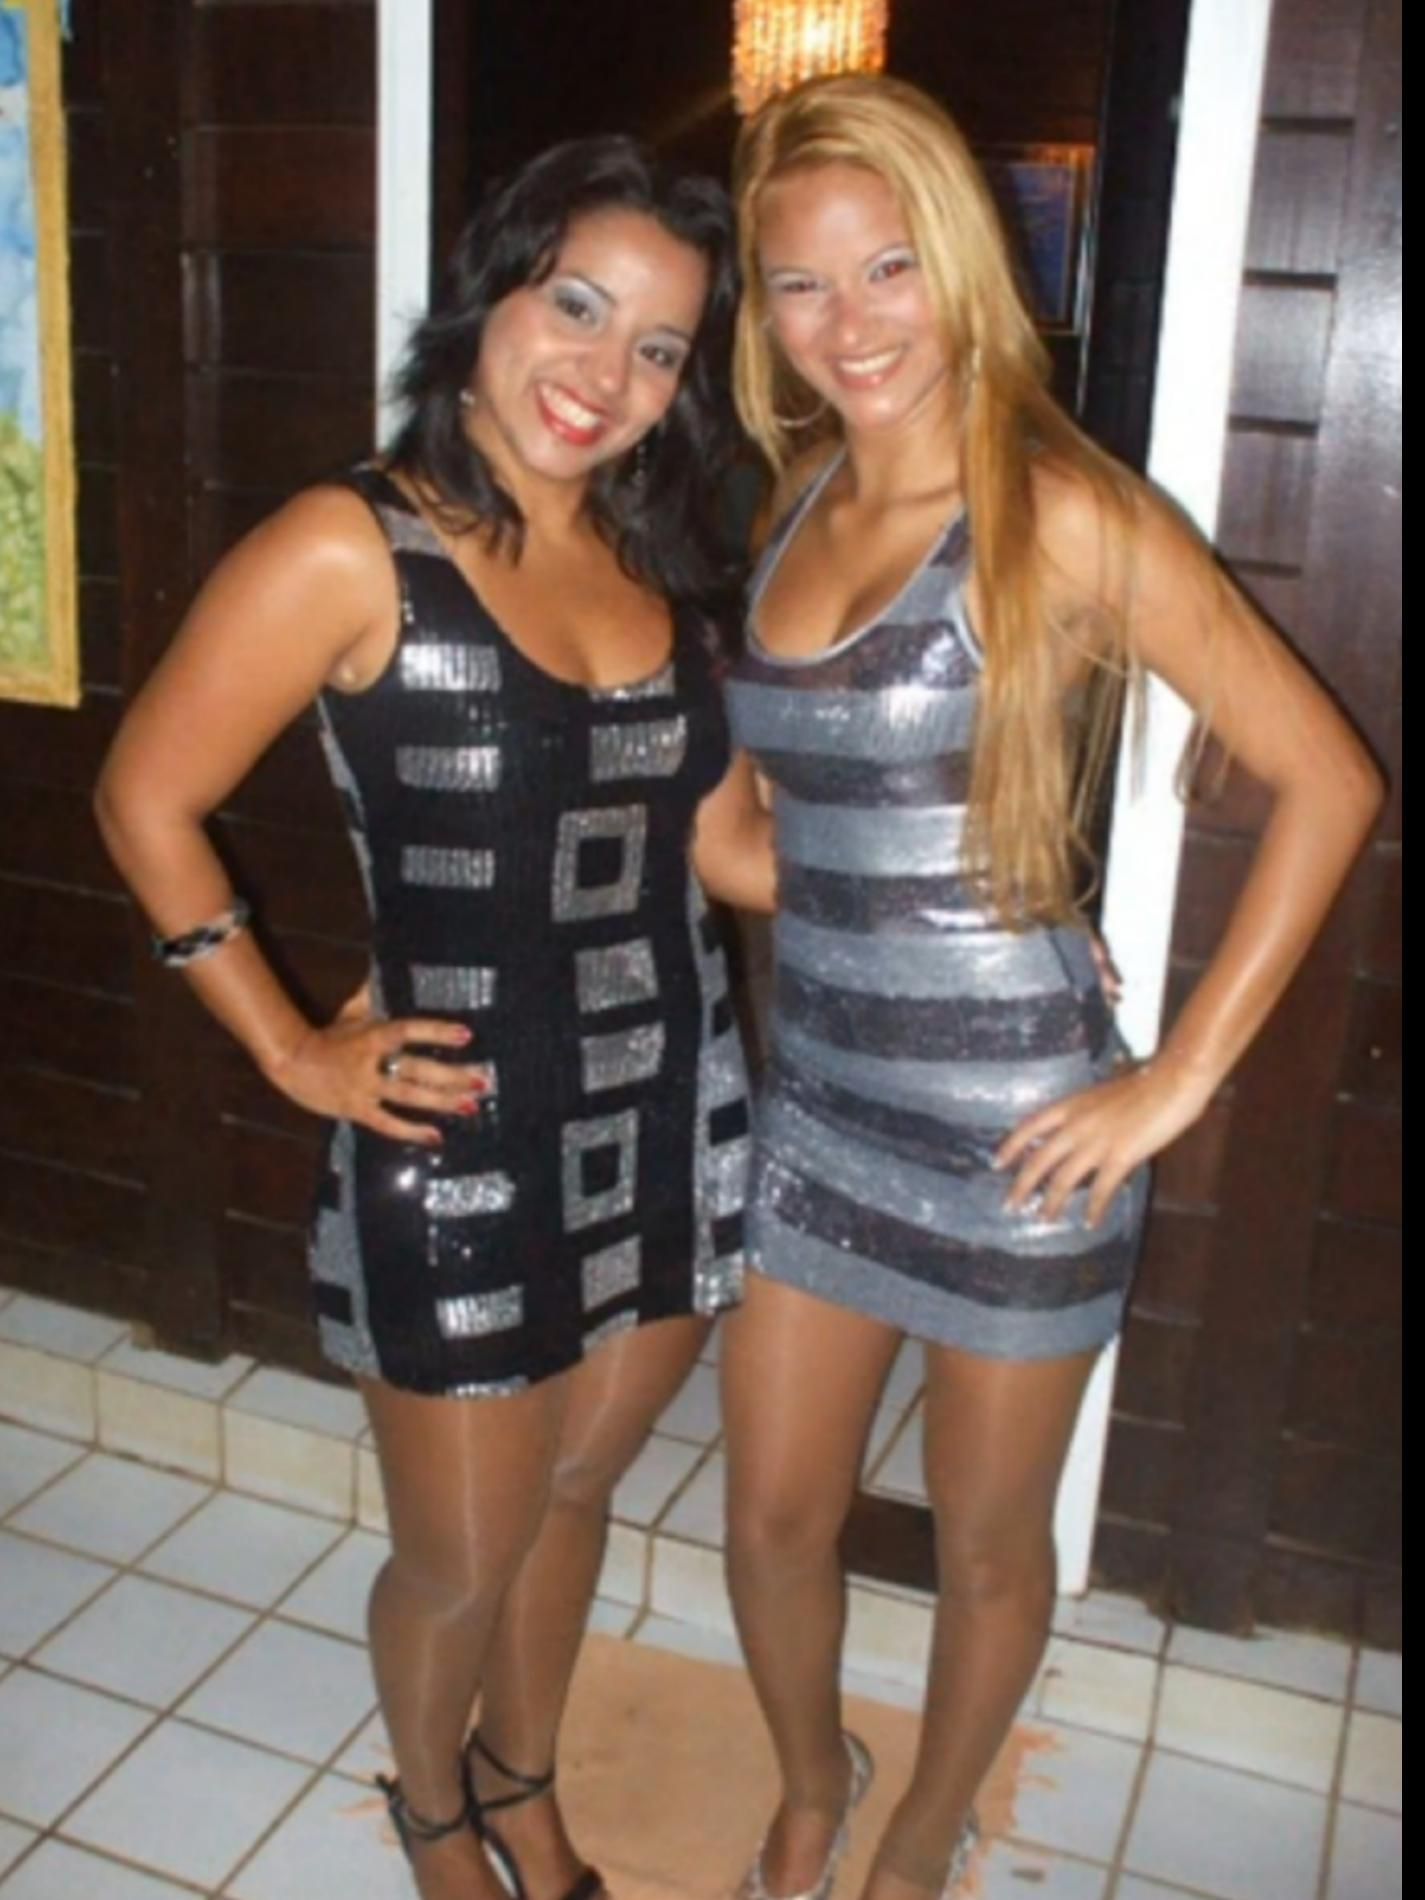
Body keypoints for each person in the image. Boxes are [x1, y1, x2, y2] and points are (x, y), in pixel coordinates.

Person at [720, 75, 1384, 1900]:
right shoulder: (791, 506)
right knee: (769, 1516)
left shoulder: (1059, 511)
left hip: (1024, 1143)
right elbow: (756, 849)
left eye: (884, 268)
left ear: (957, 262)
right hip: (820, 1119)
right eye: (798, 284)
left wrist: (1172, 1078)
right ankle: (812, 1779)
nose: (848, 323)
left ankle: (921, 1833)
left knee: (988, 1545)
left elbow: (1326, 779)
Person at [95, 136, 773, 1900]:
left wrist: (967, 865)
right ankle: (429, 1809)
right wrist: (285, 1043)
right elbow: (144, 796)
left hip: (669, 1113)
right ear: (487, 297)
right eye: (576, 306)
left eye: (657, 347)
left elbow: (731, 857)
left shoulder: (656, 564)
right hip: (457, 1131)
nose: (605, 372)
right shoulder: (352, 546)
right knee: (463, 1552)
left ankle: (521, 1780)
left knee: (575, 1497)